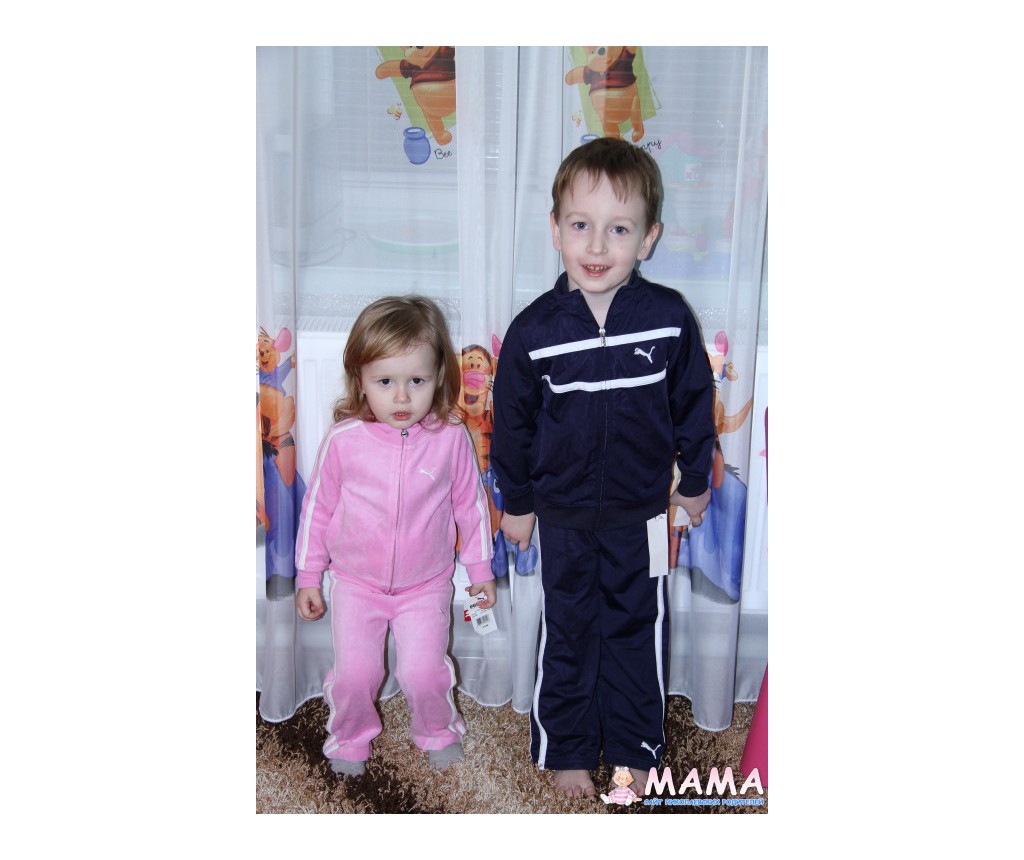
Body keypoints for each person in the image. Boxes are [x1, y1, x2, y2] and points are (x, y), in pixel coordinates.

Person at [490, 137, 716, 798]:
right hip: (562, 518)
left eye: (618, 229)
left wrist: (694, 483)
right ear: (555, 229)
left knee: (635, 632)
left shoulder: (668, 320)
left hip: (642, 516)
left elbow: (694, 406)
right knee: (569, 633)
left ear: (648, 239)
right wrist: (517, 502)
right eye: (580, 225)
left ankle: (634, 749)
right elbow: (513, 425)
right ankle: (566, 748)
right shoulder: (534, 332)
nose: (596, 245)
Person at [294, 295, 496, 777]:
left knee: (424, 673)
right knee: (356, 674)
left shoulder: (450, 438)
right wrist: (308, 576)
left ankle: (438, 730)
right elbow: (317, 511)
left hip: (425, 585)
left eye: (416, 382)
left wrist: (480, 570)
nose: (401, 398)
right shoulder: (343, 441)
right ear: (360, 380)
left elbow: (470, 507)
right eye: (385, 382)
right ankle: (349, 737)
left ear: (438, 377)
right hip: (355, 584)